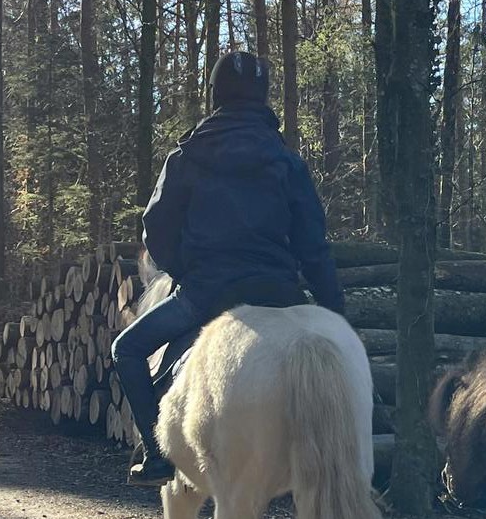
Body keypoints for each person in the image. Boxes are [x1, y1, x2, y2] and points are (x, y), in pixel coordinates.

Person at [112, 50, 344, 487]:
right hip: (279, 293)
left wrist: (185, 270)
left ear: (216, 94)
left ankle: (158, 457)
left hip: (207, 293)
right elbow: (314, 247)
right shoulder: (287, 162)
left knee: (125, 350)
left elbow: (155, 230)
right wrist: (335, 314)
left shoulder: (188, 156)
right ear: (263, 97)